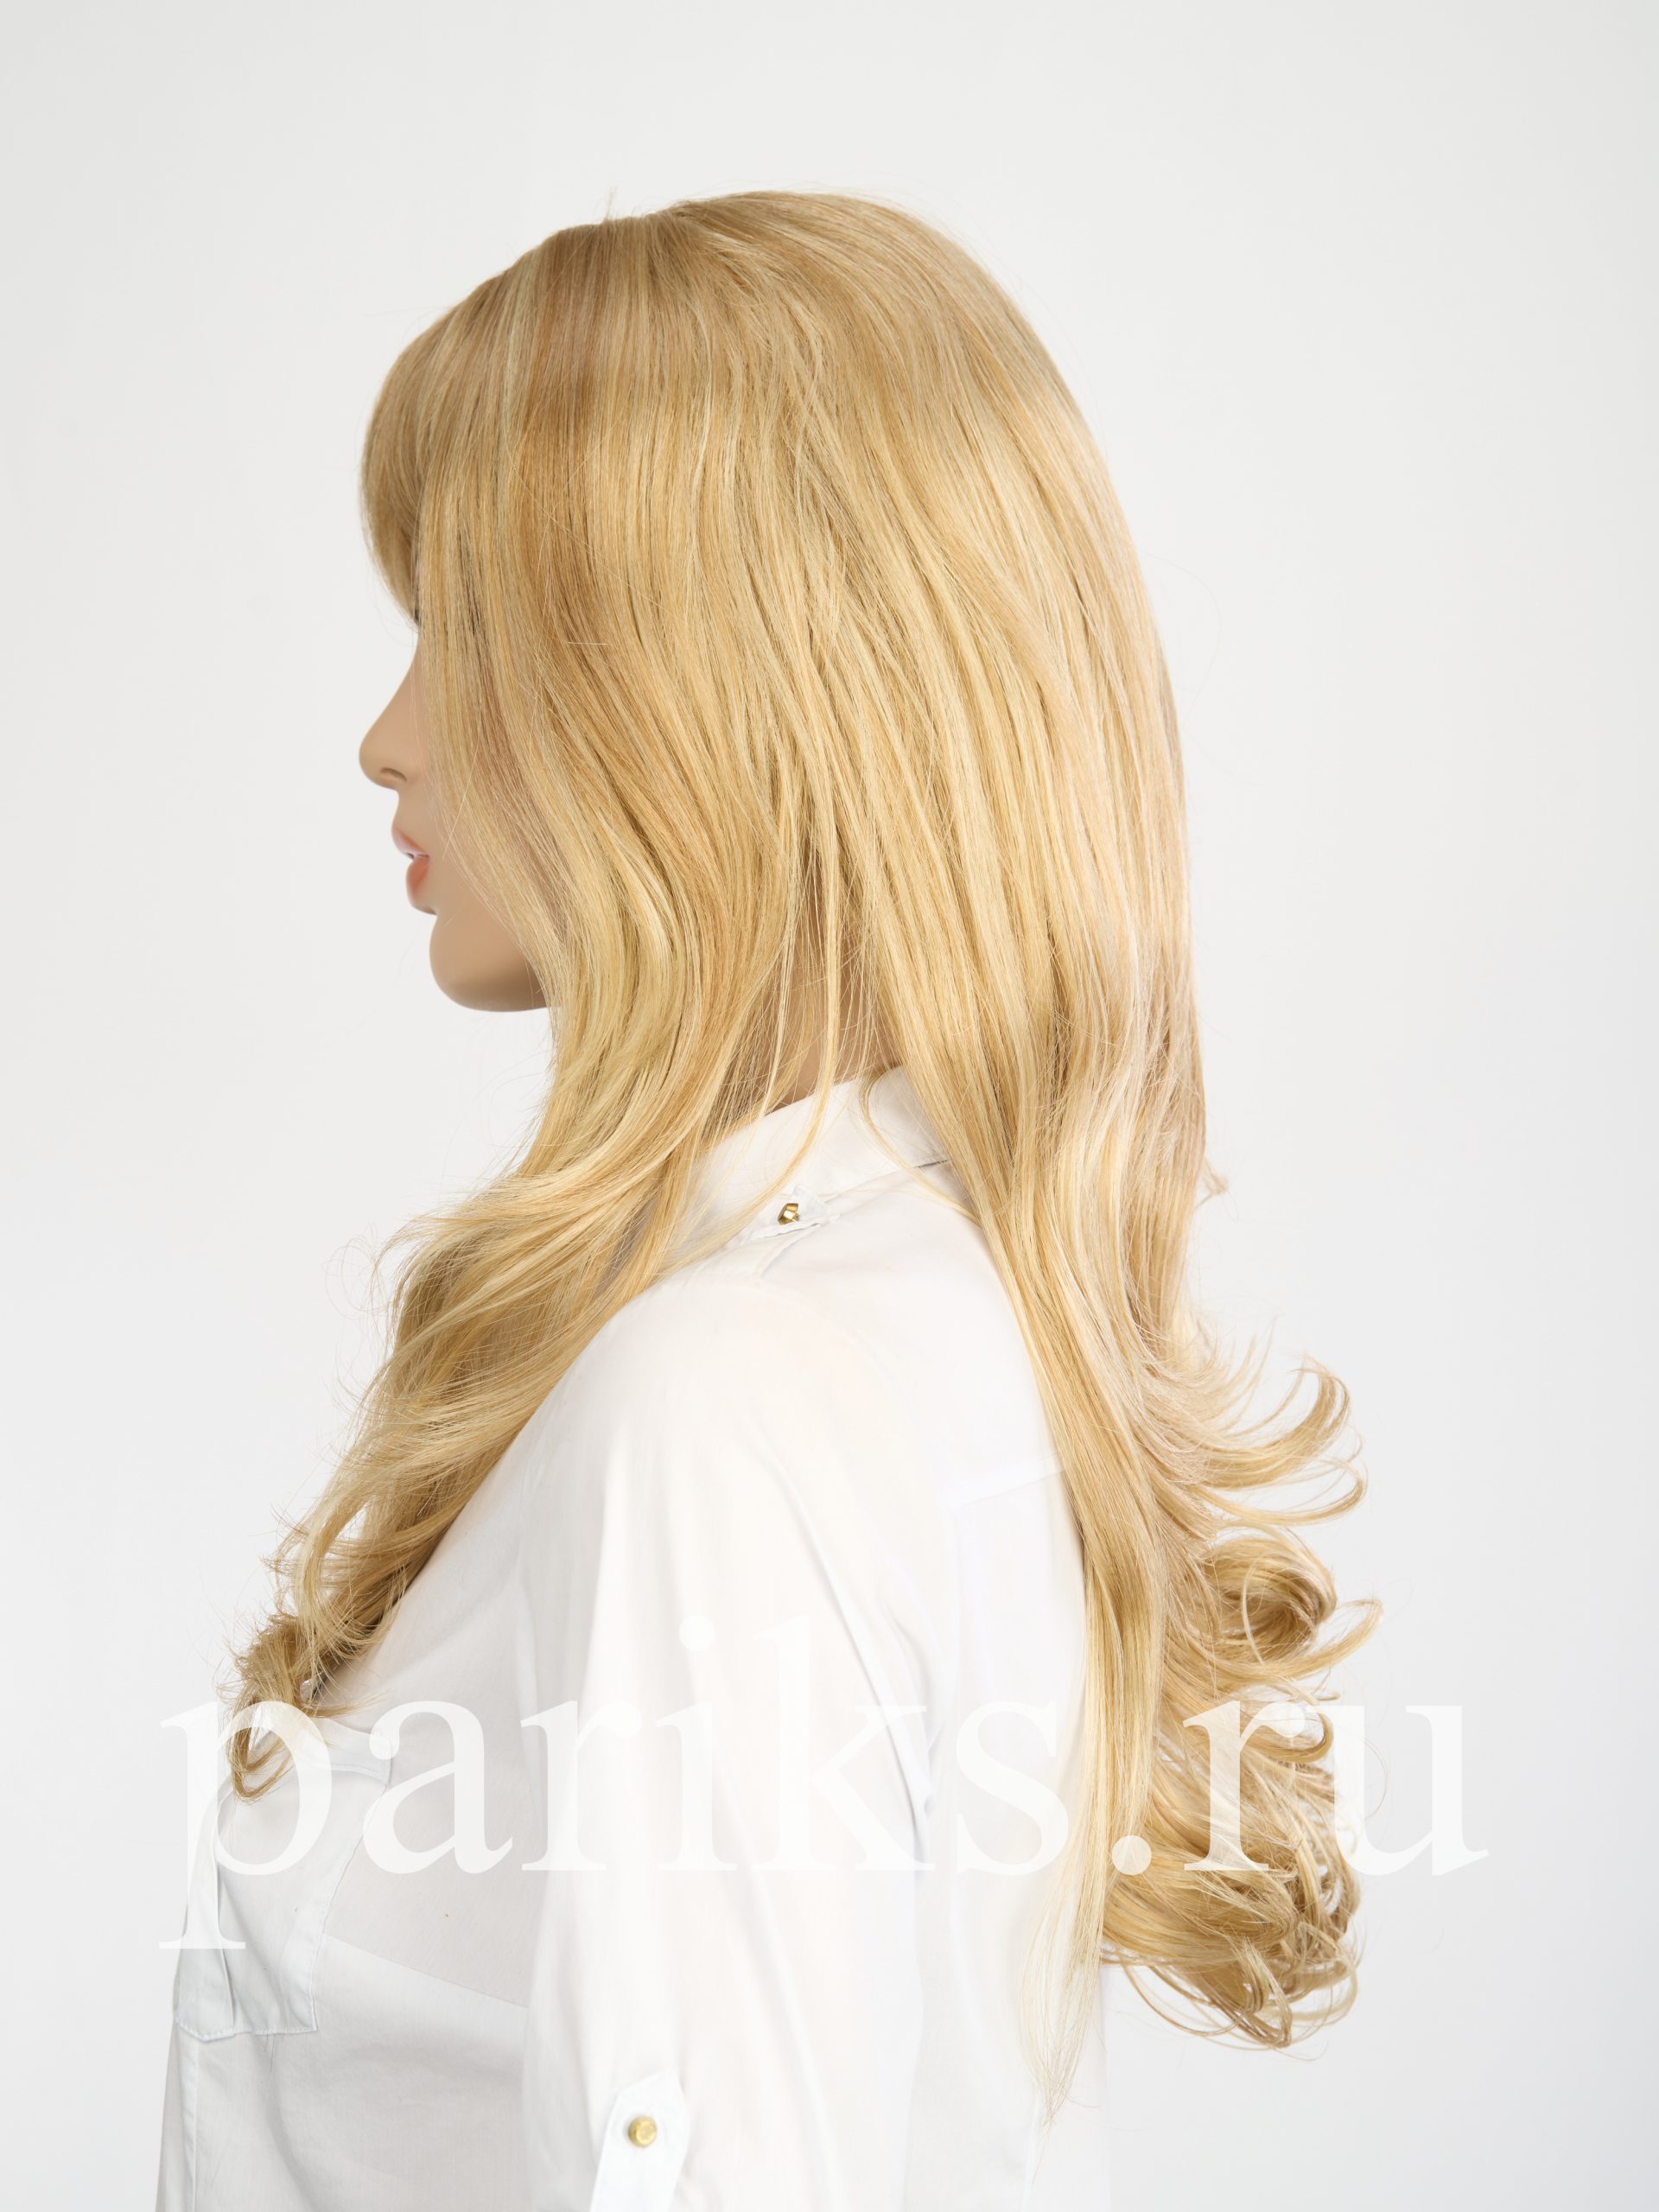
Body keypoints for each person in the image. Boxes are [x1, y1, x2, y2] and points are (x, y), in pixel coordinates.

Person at [155, 188, 1372, 2212]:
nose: (386, 738)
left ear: (695, 696)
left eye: (464, 629)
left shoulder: (720, 1400)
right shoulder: (935, 1314)